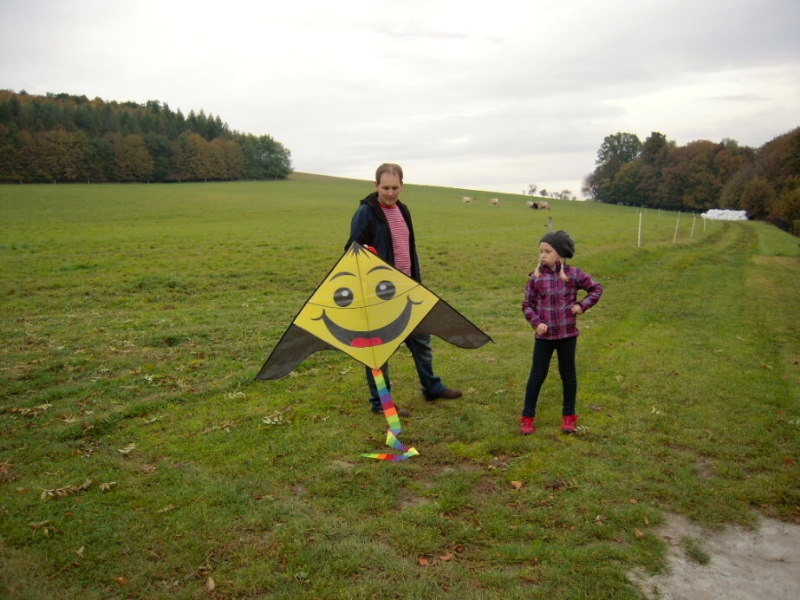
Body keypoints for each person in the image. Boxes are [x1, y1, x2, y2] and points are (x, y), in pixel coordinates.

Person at [346, 163, 462, 416]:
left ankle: (432, 388)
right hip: (379, 295)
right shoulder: (365, 213)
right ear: (376, 186)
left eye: (395, 188)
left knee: (421, 341)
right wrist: (366, 253)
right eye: (385, 188)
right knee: (379, 350)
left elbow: (408, 249)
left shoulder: (403, 210)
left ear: (402, 186)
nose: (390, 193)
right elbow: (351, 250)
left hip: (408, 290)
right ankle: (381, 403)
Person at [520, 230, 602, 434]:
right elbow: (527, 305)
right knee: (537, 375)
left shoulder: (574, 275)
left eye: (547, 251)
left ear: (560, 253)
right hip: (544, 338)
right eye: (541, 251)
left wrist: (582, 305)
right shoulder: (536, 278)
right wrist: (536, 323)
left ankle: (569, 415)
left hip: (567, 335)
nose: (542, 255)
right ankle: (527, 417)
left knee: (568, 375)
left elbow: (596, 289)